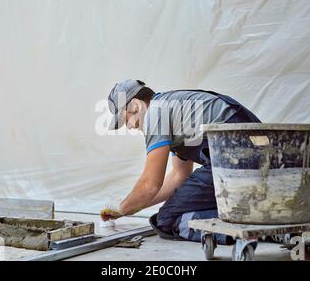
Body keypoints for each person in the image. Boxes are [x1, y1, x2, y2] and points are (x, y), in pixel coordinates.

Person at [101, 79, 261, 244]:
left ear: (136, 105)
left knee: (167, 220)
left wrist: (122, 207)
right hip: (258, 156)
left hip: (236, 155)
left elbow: (150, 184)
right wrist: (131, 206)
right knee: (171, 213)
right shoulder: (174, 107)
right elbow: (179, 176)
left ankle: (248, 226)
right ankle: (260, 217)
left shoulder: (155, 113)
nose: (129, 126)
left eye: (125, 118)